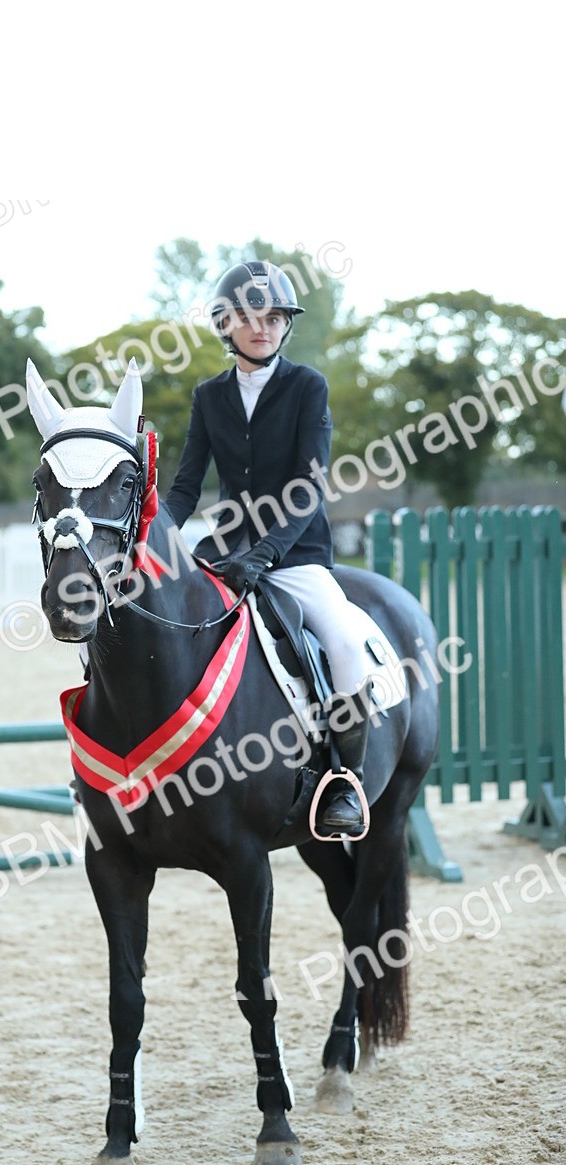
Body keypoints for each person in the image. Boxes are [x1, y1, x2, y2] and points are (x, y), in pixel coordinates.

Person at [164, 260, 374, 836]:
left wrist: (267, 554)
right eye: (251, 317)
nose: (265, 327)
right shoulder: (209, 396)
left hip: (297, 552)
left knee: (346, 644)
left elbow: (310, 485)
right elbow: (186, 485)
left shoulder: (308, 386)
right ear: (225, 325)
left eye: (276, 317)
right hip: (227, 550)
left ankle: (344, 783)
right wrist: (154, 535)